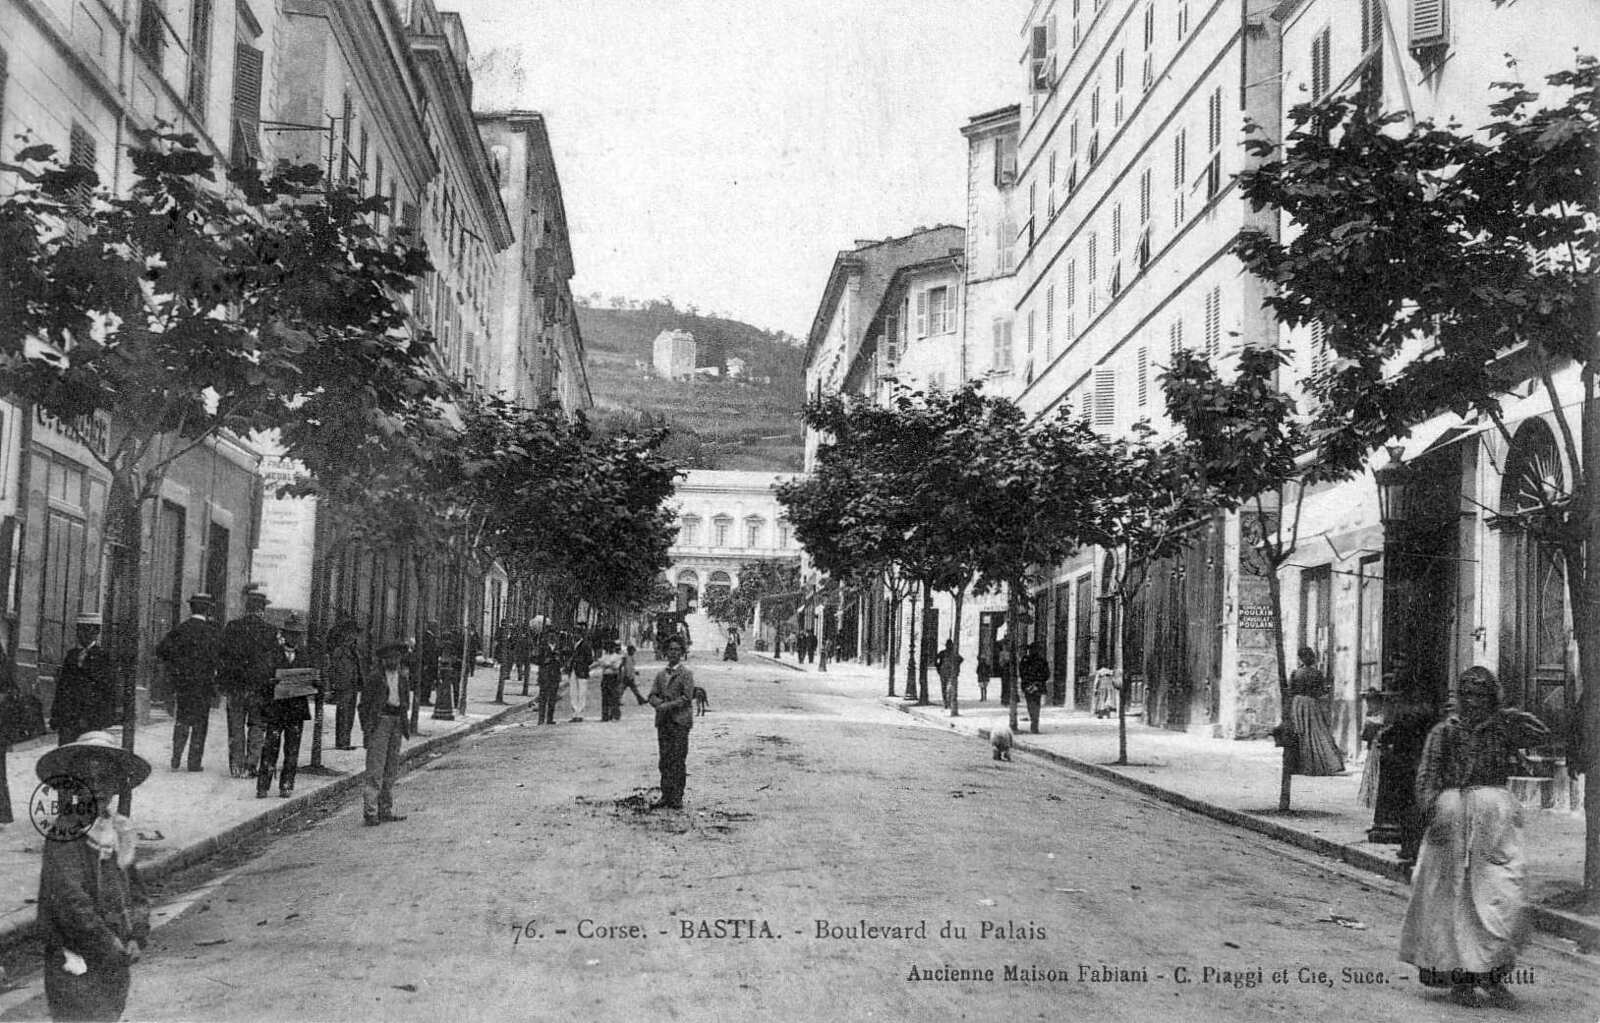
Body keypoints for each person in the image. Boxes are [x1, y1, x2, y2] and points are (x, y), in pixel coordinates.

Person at [1399, 666, 1549, 1009]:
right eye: (1467, 694)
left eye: (1481, 695)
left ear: (1492, 698)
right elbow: (1428, 774)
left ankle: (1493, 975)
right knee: (1454, 901)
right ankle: (1462, 979)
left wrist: (1508, 714)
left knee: (1503, 895)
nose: (1473, 702)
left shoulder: (1503, 727)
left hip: (1495, 823)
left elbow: (1541, 733)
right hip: (1452, 821)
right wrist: (1432, 812)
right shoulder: (1444, 732)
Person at [35, 730, 152, 1022]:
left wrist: (137, 934)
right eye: (87, 780)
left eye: (105, 780)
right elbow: (70, 900)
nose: (97, 789)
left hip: (115, 960)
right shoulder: (66, 833)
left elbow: (136, 891)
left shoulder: (119, 831)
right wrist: (106, 942)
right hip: (75, 959)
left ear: (116, 785)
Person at [155, 593, 220, 772]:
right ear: (207, 609)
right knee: (200, 724)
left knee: (182, 720)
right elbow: (218, 658)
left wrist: (176, 666)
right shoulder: (212, 632)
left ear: (191, 608)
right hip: (204, 685)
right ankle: (194, 763)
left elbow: (161, 650)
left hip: (183, 684)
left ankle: (175, 758)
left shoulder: (180, 630)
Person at [218, 585, 278, 779]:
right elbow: (275, 661)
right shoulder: (270, 631)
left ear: (247, 607)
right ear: (262, 608)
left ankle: (236, 765)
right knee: (257, 726)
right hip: (259, 689)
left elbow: (222, 656)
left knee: (235, 726)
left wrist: (224, 683)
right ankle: (251, 764)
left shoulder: (232, 627)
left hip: (236, 687)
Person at [257, 614, 312, 799]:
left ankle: (287, 784)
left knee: (292, 749)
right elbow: (262, 680)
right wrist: (271, 682)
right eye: (292, 634)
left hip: (296, 710)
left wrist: (314, 684)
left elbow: (312, 680)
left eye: (298, 635)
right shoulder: (271, 655)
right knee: (270, 746)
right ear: (284, 635)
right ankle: (263, 785)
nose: (295, 638)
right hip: (276, 710)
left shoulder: (305, 656)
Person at [360, 641, 413, 826]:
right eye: (390, 658)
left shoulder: (403, 678)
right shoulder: (375, 678)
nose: (394, 661)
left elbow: (405, 701)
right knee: (375, 768)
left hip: (396, 721)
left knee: (391, 768)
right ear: (383, 660)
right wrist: (367, 728)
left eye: (397, 657)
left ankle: (385, 808)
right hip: (381, 720)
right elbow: (364, 705)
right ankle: (371, 811)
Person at [647, 635, 698, 810]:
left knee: (678, 759)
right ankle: (666, 795)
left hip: (679, 722)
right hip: (663, 722)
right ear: (666, 652)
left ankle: (677, 797)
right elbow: (652, 695)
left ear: (682, 653)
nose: (673, 653)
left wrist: (666, 706)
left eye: (677, 649)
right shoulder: (660, 675)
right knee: (664, 760)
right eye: (670, 649)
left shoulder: (686, 674)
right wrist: (658, 704)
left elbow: (687, 697)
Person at [51, 614, 115, 746]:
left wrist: (103, 717)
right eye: (80, 630)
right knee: (66, 750)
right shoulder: (72, 655)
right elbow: (62, 687)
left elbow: (107, 690)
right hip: (69, 716)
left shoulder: (103, 657)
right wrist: (56, 715)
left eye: (88, 630)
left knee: (87, 751)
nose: (83, 634)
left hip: (90, 716)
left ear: (96, 632)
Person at [1286, 647, 1344, 776]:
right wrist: (1328, 689)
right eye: (1310, 656)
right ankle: (1319, 764)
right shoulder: (1316, 673)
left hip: (1297, 704)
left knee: (1301, 733)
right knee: (1316, 732)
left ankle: (1301, 765)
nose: (1312, 659)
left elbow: (1290, 691)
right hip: (1311, 704)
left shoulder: (1295, 673)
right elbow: (1321, 691)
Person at [326, 618, 365, 751]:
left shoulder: (355, 651)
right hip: (343, 686)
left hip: (352, 685)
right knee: (343, 714)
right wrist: (333, 686)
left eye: (355, 634)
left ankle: (346, 740)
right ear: (345, 634)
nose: (353, 637)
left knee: (350, 714)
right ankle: (342, 741)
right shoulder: (340, 651)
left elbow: (358, 668)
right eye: (351, 633)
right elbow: (333, 669)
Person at [1018, 642, 1050, 733]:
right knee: (1034, 705)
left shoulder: (1038, 660)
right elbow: (1022, 672)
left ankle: (1034, 723)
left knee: (1033, 705)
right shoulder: (1036, 660)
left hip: (1034, 685)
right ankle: (1034, 723)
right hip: (1034, 685)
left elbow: (1046, 674)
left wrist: (1033, 682)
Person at [593, 641, 626, 722]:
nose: (609, 649)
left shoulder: (617, 656)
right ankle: (605, 716)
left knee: (614, 696)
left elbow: (616, 666)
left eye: (611, 647)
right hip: (605, 677)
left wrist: (606, 664)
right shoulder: (605, 656)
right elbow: (600, 663)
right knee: (605, 697)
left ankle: (615, 715)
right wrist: (609, 664)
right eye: (608, 647)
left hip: (613, 677)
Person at [535, 632, 563, 725]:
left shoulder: (559, 648)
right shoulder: (542, 647)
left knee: (552, 698)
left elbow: (563, 661)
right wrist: (544, 661)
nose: (552, 637)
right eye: (550, 636)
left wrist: (558, 660)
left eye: (554, 636)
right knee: (543, 698)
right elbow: (536, 659)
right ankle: (541, 719)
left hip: (555, 675)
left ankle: (550, 718)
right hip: (545, 675)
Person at [568, 632, 593, 722]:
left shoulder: (586, 645)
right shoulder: (572, 645)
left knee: (582, 692)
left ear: (580, 635)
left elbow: (590, 660)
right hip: (573, 670)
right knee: (573, 692)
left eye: (577, 633)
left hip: (582, 671)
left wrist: (581, 662)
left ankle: (580, 714)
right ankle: (574, 714)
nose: (575, 635)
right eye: (574, 633)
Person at [935, 639, 962, 709]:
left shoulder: (951, 653)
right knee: (946, 688)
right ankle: (947, 702)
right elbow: (936, 661)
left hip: (948, 673)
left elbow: (960, 659)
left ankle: (948, 702)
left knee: (948, 688)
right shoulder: (943, 653)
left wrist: (938, 668)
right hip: (945, 673)